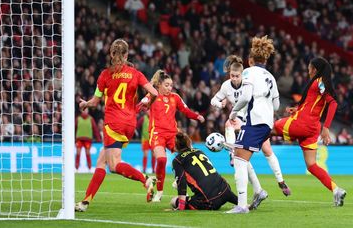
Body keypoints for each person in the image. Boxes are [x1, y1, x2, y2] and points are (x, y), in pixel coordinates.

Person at [75, 39, 158, 212]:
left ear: (111, 54)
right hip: (130, 122)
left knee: (113, 165)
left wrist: (84, 104)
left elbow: (95, 101)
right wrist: (147, 103)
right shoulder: (135, 74)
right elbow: (154, 92)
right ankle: (85, 202)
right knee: (101, 161)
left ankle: (145, 179)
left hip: (113, 123)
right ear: (127, 55)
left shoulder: (105, 75)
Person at [211, 55, 290, 205]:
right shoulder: (229, 85)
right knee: (254, 153)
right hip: (259, 119)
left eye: (236, 75)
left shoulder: (247, 76)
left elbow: (246, 98)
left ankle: (233, 156)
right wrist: (220, 104)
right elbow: (218, 98)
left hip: (251, 118)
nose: (234, 78)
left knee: (240, 149)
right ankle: (267, 186)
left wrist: (233, 112)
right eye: (232, 75)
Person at [273, 56, 347, 207]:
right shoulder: (317, 83)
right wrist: (297, 108)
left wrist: (326, 128)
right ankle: (336, 190)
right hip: (312, 128)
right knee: (311, 165)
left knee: (268, 129)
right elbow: (311, 103)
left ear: (315, 69)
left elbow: (332, 103)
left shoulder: (319, 82)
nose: (307, 70)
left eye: (309, 67)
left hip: (303, 123)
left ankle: (239, 154)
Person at [226, 35, 280, 214]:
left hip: (254, 121)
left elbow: (246, 96)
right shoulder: (271, 77)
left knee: (239, 160)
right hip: (266, 124)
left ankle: (242, 205)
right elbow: (277, 105)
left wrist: (234, 112)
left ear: (250, 61)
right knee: (241, 156)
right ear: (265, 59)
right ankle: (257, 192)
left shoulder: (248, 73)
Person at [147, 70, 205, 202]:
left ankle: (178, 179)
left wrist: (197, 116)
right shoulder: (153, 95)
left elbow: (185, 110)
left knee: (187, 157)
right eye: (166, 85)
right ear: (159, 85)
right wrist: (142, 104)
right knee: (161, 160)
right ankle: (160, 192)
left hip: (173, 133)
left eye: (171, 85)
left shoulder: (175, 97)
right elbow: (144, 102)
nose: (169, 88)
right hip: (157, 133)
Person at [171, 132, 237, 210]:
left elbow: (181, 182)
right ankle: (241, 202)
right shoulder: (199, 151)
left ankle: (186, 201)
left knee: (173, 201)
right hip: (226, 190)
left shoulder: (178, 160)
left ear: (176, 146)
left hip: (210, 201)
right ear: (189, 142)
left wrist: (181, 207)